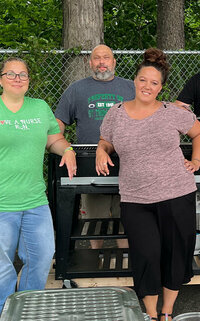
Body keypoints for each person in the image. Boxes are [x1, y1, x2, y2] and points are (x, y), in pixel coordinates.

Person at [95, 48, 200, 321]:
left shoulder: (173, 113)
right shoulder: (115, 113)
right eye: (143, 80)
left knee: (174, 253)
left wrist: (195, 161)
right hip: (136, 199)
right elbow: (106, 141)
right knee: (146, 254)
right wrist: (100, 151)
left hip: (176, 194)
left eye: (154, 83)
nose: (147, 86)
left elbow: (199, 133)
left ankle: (167, 311)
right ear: (134, 81)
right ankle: (152, 313)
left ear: (161, 87)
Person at [0, 57, 77, 317]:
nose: (17, 79)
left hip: (34, 200)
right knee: (1, 264)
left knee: (43, 255)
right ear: (0, 79)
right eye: (11, 74)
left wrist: (67, 149)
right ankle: (7, 317)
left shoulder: (39, 108)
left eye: (23, 74)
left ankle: (28, 310)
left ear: (29, 80)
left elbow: (53, 139)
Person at [55, 44, 135, 250]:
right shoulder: (77, 89)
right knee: (94, 218)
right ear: (90, 63)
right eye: (97, 58)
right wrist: (58, 144)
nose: (102, 62)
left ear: (114, 62)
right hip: (89, 161)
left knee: (126, 216)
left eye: (106, 58)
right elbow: (59, 123)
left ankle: (126, 259)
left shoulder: (131, 88)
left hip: (127, 161)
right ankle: (95, 257)